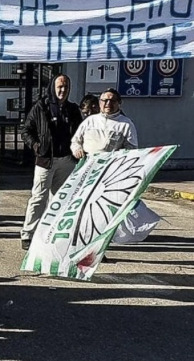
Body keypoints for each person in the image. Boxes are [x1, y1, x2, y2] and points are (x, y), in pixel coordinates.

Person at [70, 89, 159, 244]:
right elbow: (76, 141)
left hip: (111, 175)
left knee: (107, 207)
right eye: (104, 100)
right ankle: (86, 236)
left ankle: (105, 237)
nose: (108, 104)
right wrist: (77, 149)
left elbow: (132, 150)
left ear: (119, 103)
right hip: (89, 171)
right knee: (86, 206)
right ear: (99, 103)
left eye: (112, 101)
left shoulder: (126, 124)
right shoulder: (90, 121)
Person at [20, 75, 82, 249]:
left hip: (67, 161)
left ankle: (54, 233)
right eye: (60, 86)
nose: (63, 90)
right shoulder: (41, 107)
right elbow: (26, 130)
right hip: (45, 160)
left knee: (61, 198)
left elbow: (81, 132)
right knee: (39, 197)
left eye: (66, 87)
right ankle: (28, 234)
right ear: (53, 87)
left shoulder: (73, 109)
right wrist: (36, 145)